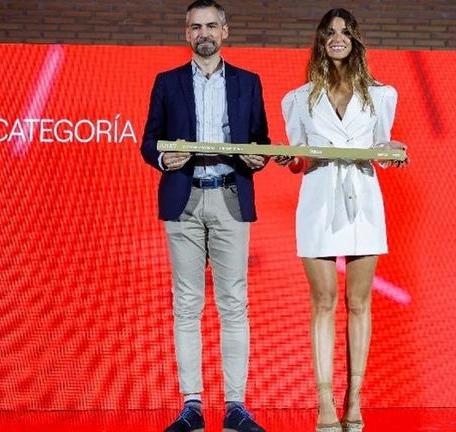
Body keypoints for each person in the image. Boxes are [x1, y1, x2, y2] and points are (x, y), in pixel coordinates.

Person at [274, 8, 406, 432]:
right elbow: (299, 158)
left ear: (355, 40)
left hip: (363, 200)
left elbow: (382, 151)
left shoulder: (381, 95)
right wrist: (289, 159)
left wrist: (393, 152)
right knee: (324, 301)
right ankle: (324, 401)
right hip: (318, 201)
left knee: (359, 302)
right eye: (330, 32)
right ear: (320, 40)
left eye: (345, 32)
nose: (338, 38)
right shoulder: (298, 99)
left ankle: (355, 398)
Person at [140, 1, 270, 431]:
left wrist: (258, 159)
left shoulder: (249, 82)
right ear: (187, 34)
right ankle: (191, 405)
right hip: (185, 199)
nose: (204, 34)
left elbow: (261, 140)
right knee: (186, 304)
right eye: (196, 27)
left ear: (225, 31)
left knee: (234, 304)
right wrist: (164, 160)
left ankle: (236, 406)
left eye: (211, 25)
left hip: (231, 197)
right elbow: (149, 143)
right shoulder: (167, 82)